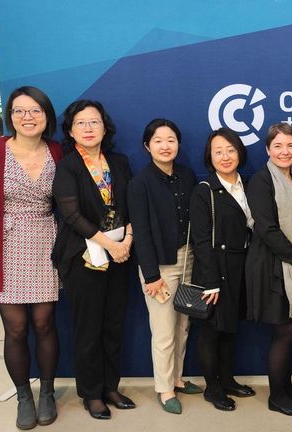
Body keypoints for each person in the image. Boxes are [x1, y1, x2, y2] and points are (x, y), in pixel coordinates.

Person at [0, 86, 62, 430]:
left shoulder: (57, 151)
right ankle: (24, 397)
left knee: (45, 323)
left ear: (46, 116)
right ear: (10, 117)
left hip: (46, 242)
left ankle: (47, 393)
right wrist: (5, 219)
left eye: (35, 110)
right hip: (4, 246)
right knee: (17, 328)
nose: (27, 117)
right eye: (19, 111)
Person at [52, 100, 135, 420]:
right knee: (88, 329)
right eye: (81, 123)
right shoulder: (68, 166)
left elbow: (132, 206)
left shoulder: (119, 162)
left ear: (105, 127)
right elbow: (71, 215)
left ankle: (111, 387)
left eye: (94, 122)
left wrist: (126, 242)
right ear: (71, 131)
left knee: (113, 325)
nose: (88, 128)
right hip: (83, 257)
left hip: (120, 255)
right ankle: (91, 393)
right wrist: (109, 245)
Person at [127, 119, 201, 415]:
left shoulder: (187, 175)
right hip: (160, 266)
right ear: (147, 146)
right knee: (164, 331)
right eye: (158, 141)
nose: (165, 146)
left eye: (171, 140)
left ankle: (177, 379)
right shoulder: (140, 183)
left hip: (189, 259)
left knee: (184, 325)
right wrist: (151, 275)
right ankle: (164, 388)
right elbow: (142, 232)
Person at [245, 123, 292, 416]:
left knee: (290, 330)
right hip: (271, 267)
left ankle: (286, 388)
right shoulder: (261, 181)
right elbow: (266, 229)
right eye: (278, 146)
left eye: (290, 146)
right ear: (267, 150)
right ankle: (277, 396)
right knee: (283, 331)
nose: (285, 152)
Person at [191, 128, 256, 412]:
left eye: (230, 150)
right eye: (218, 151)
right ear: (210, 156)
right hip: (215, 269)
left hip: (242, 266)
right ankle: (212, 388)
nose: (225, 156)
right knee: (212, 330)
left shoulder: (248, 186)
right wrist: (210, 281)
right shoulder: (204, 190)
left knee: (231, 327)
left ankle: (227, 380)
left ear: (240, 153)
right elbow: (201, 240)